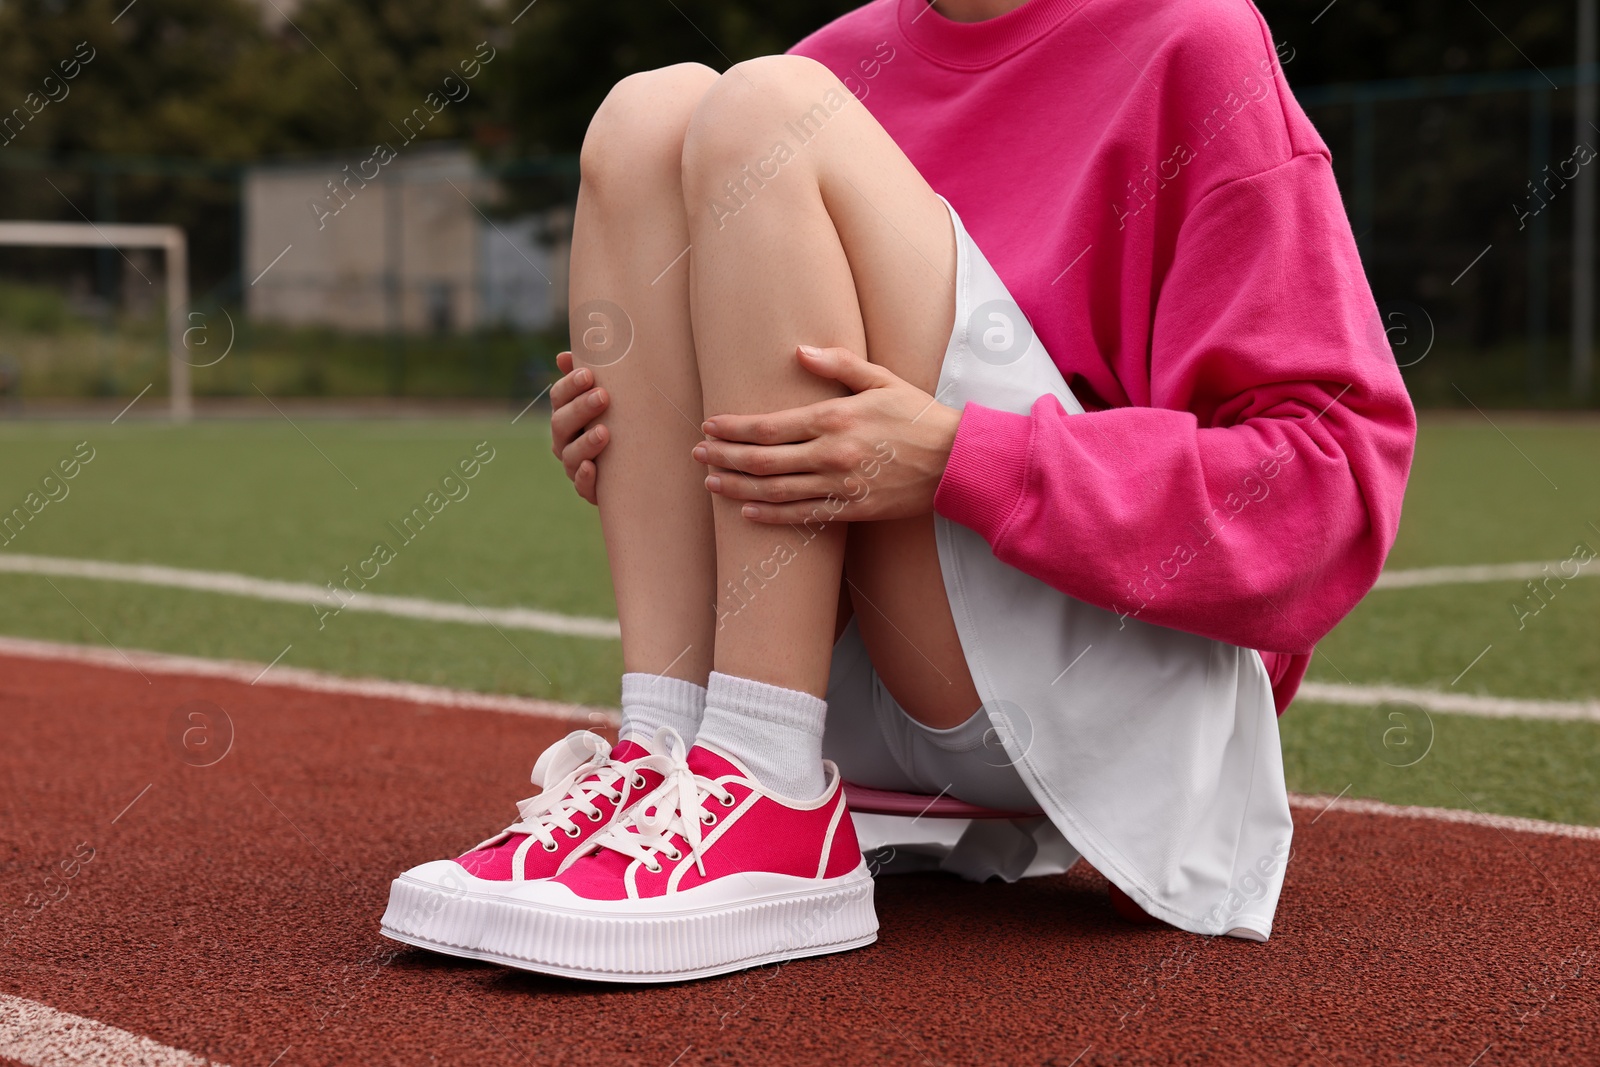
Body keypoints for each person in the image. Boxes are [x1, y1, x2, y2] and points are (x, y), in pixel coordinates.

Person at [382, 0, 1415, 983]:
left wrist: (964, 455)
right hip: (859, 675)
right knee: (645, 114)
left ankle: (768, 778)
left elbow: (1330, 483)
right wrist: (652, 434)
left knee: (768, 111)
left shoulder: (1189, 37)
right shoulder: (832, 56)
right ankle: (668, 748)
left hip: (1099, 676)